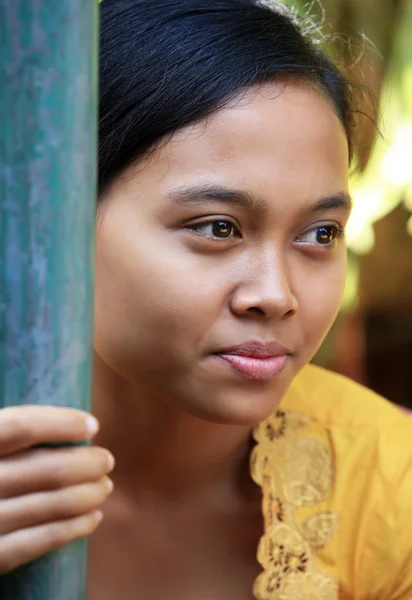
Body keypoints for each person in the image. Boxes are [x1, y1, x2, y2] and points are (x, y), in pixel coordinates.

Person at [1, 0, 411, 598]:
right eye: (217, 227)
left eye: (319, 234)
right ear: (59, 221)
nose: (275, 295)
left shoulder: (387, 485)